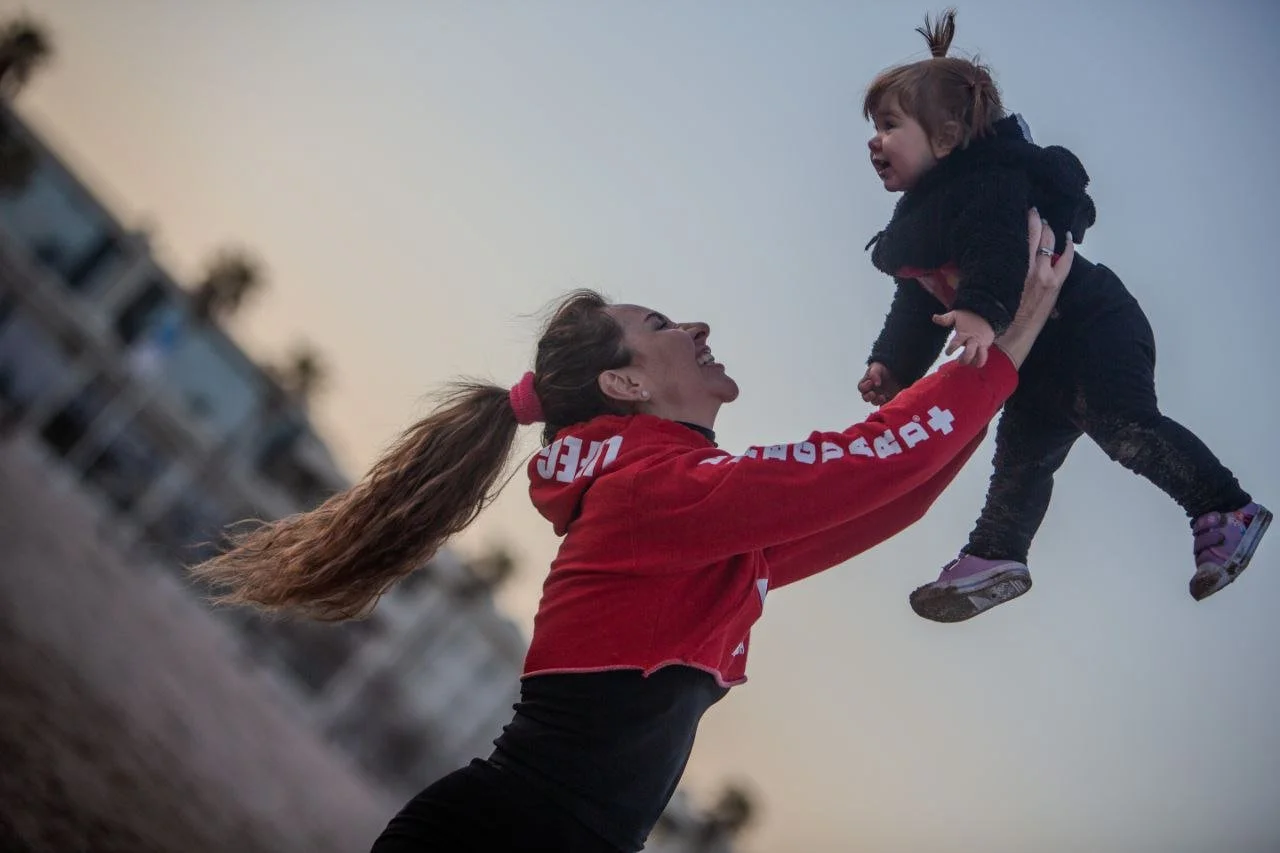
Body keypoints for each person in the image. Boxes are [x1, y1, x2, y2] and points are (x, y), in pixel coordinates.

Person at [191, 211, 1070, 853]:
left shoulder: (684, 504)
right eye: (661, 326)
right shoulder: (654, 493)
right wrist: (993, 353)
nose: (696, 327)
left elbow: (890, 495)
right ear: (623, 387)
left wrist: (1012, 344)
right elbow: (867, 462)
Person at [858, 9, 1269, 623]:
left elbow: (998, 252)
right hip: (1033, 360)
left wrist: (977, 312)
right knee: (1020, 460)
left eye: (889, 126)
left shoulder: (989, 186)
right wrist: (891, 364)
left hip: (1092, 328)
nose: (874, 140)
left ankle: (1225, 506)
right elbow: (916, 299)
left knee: (1124, 428)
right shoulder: (924, 219)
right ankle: (996, 555)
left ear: (944, 138)